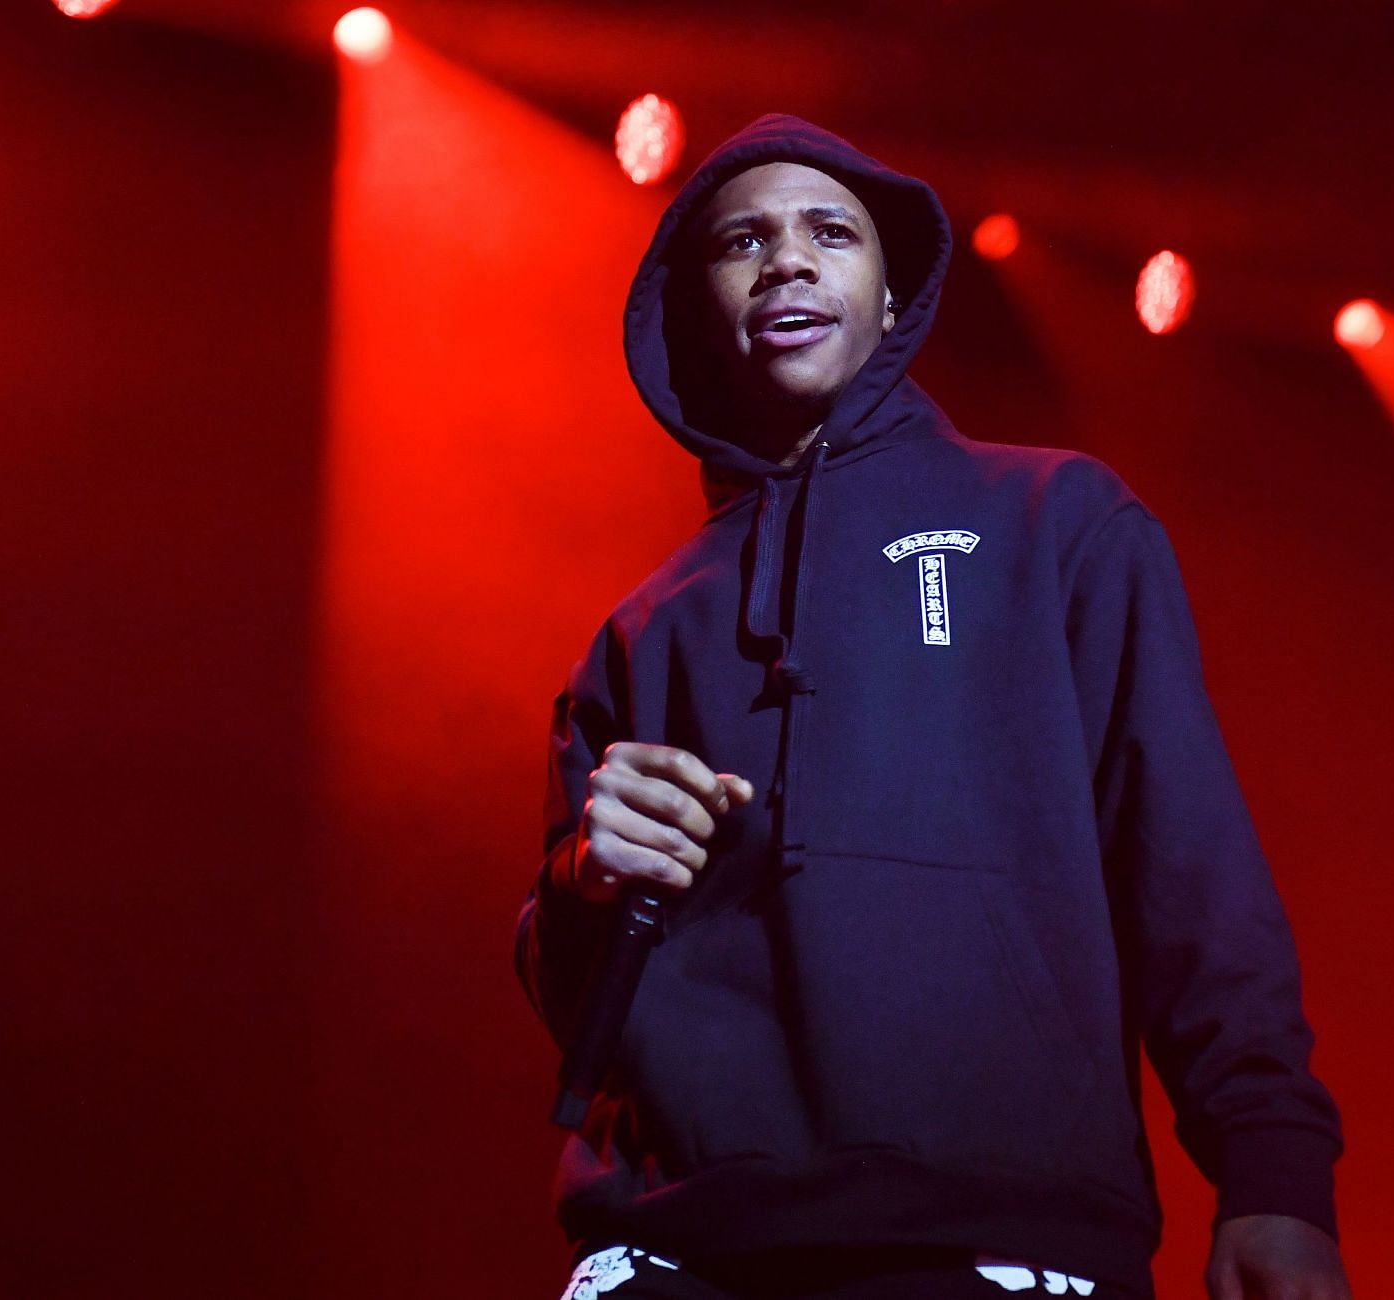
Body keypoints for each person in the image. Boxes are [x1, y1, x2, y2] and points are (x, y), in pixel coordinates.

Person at [516, 113, 1351, 1300]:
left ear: (893, 284)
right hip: (675, 1244)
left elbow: (1188, 867)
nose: (788, 260)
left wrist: (1273, 1175)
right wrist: (586, 881)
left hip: (992, 1226)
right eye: (742, 240)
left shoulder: (1057, 520)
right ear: (690, 301)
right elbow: (572, 1006)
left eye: (830, 232)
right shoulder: (644, 630)